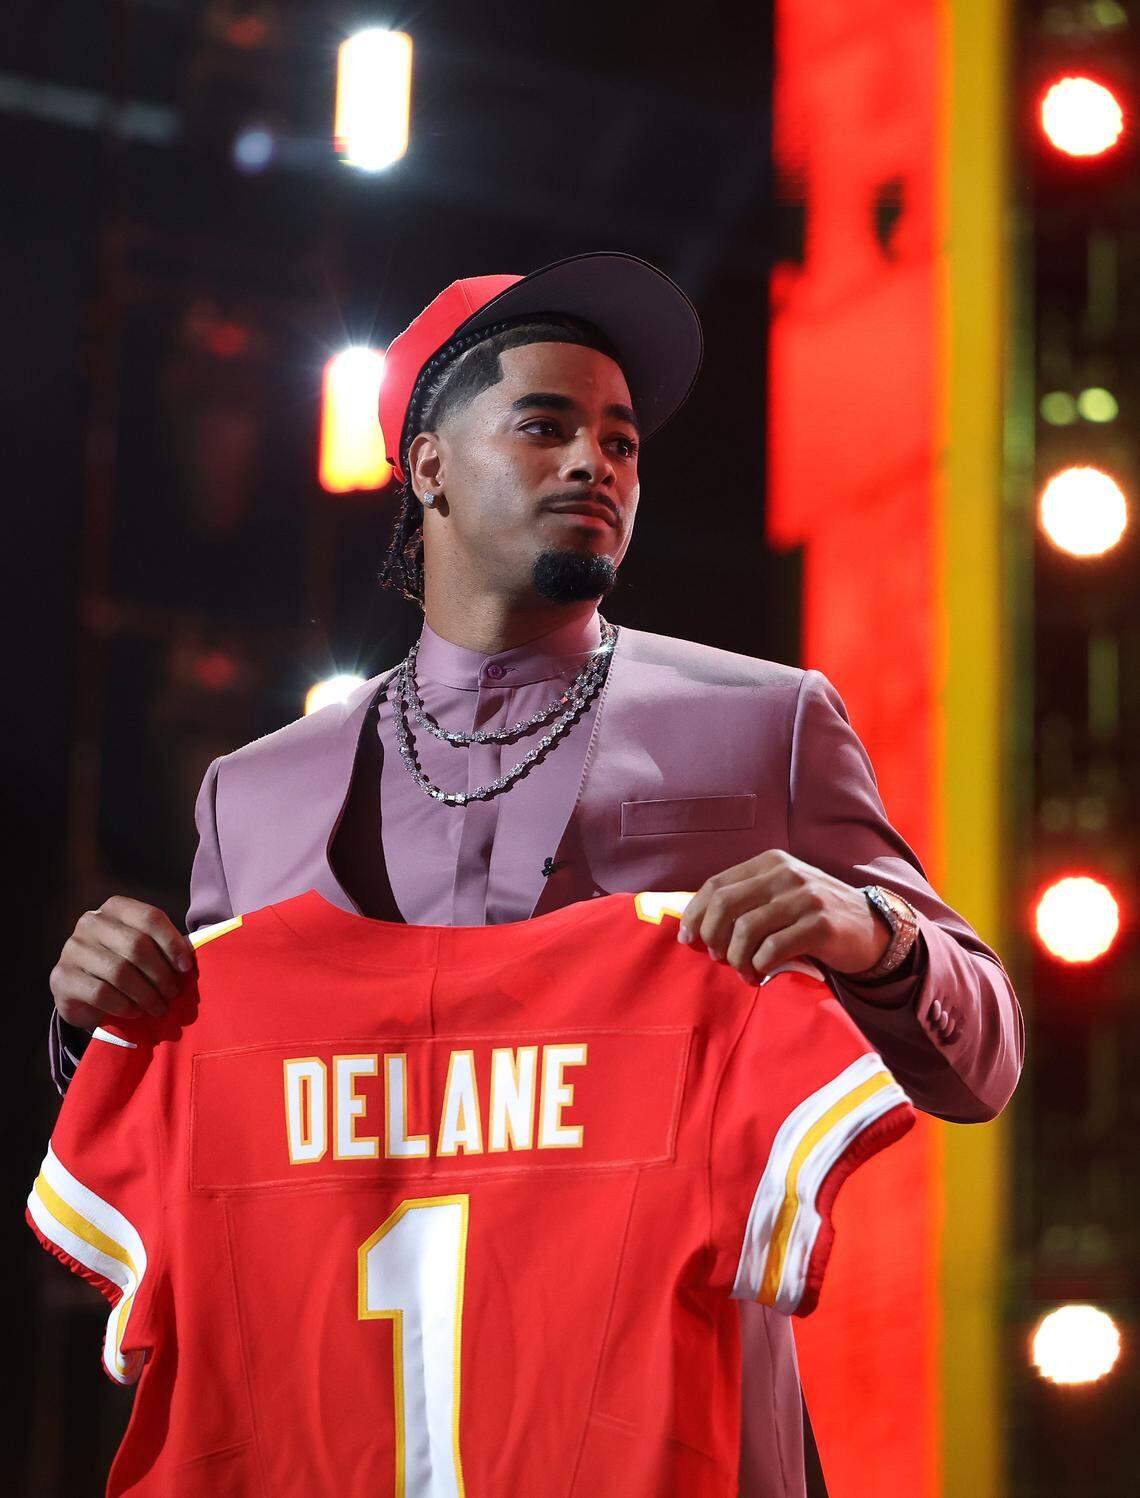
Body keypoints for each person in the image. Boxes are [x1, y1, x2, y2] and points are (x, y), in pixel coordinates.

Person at [47, 250, 1024, 1498]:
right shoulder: (257, 790)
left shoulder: (767, 721)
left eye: (621, 442)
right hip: (337, 1442)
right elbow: (206, 1124)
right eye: (546, 426)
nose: (594, 465)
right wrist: (96, 1021)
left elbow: (984, 1061)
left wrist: (877, 932)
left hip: (670, 1446)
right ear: (429, 466)